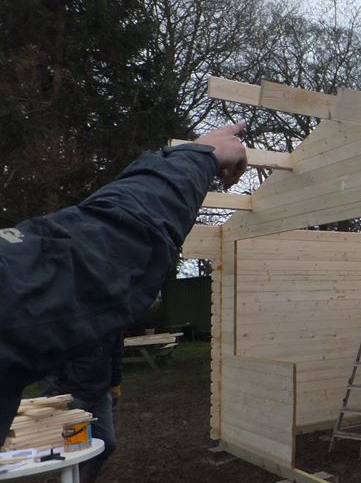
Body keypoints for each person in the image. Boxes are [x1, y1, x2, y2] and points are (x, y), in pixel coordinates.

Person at [0, 124, 247, 438]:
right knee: (79, 448)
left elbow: (102, 319)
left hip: (94, 387)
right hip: (71, 390)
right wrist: (198, 157)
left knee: (102, 443)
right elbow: (100, 253)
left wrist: (113, 382)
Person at [39, 331, 124, 483]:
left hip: (100, 393)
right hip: (71, 393)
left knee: (107, 443)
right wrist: (53, 396)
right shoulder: (70, 319)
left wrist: (115, 383)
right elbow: (50, 356)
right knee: (76, 451)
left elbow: (116, 351)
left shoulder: (111, 321)